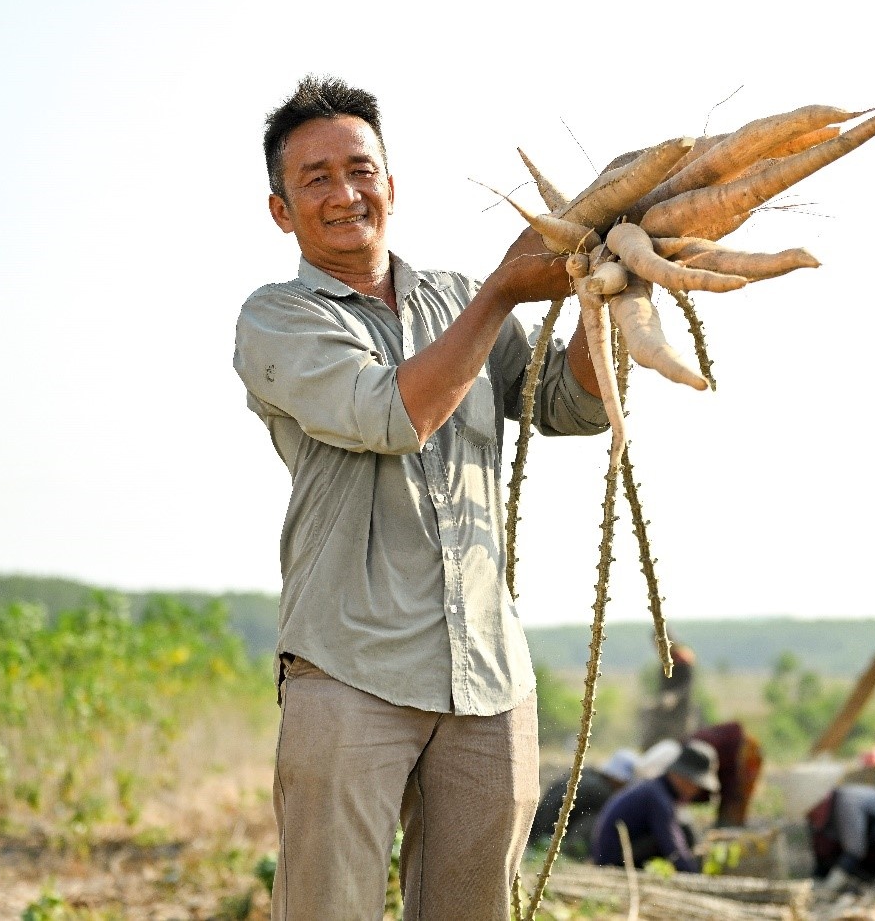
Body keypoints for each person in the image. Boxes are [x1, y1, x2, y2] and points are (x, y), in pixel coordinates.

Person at [233, 77, 610, 920]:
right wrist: (505, 290)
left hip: (486, 677)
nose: (344, 193)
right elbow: (393, 412)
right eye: (315, 178)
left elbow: (564, 405)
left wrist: (604, 292)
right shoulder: (278, 319)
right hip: (350, 667)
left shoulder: (454, 296)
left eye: (360, 170)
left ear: (391, 186)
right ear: (280, 211)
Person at [590, 741, 720, 873]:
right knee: (677, 838)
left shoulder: (656, 790)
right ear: (681, 777)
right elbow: (672, 846)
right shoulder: (657, 798)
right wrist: (693, 876)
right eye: (695, 784)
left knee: (684, 830)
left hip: (614, 854)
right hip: (612, 861)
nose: (696, 790)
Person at [530, 748, 639, 858]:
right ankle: (573, 853)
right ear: (618, 778)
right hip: (546, 837)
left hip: (538, 833)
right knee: (601, 817)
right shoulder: (601, 791)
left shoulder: (587, 776)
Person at [687, 720, 765, 827]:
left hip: (744, 754)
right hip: (735, 758)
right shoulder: (687, 751)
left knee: (737, 793)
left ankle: (730, 827)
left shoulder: (692, 751)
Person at [639, 634, 699, 748]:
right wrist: (657, 699)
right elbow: (663, 685)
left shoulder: (682, 658)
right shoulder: (665, 659)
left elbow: (687, 685)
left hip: (682, 708)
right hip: (665, 706)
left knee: (680, 742)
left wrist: (674, 696)